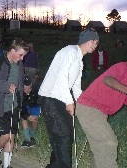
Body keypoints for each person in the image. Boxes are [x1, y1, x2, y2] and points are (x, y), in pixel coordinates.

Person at [76, 54, 127, 168]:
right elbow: (108, 80)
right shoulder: (123, 67)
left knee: (101, 149)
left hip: (99, 113)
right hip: (89, 108)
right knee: (108, 142)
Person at [38, 28, 99, 168]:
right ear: (84, 40)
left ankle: (54, 165)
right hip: (50, 97)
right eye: (92, 40)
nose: (95, 44)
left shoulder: (80, 59)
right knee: (62, 135)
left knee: (66, 136)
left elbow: (76, 85)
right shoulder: (70, 51)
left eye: (96, 42)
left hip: (60, 98)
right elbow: (61, 78)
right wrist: (70, 102)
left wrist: (83, 102)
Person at [0, 39, 29, 168]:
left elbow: (21, 80)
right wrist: (6, 86)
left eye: (24, 56)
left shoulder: (19, 65)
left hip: (14, 105)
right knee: (5, 135)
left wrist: (26, 85)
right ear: (12, 50)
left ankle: (6, 165)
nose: (22, 59)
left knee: (11, 136)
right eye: (20, 55)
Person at [20, 76, 40, 148]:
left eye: (27, 85)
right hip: (26, 108)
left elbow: (38, 105)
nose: (24, 87)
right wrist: (27, 116)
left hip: (35, 107)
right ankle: (27, 140)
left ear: (30, 85)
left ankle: (32, 135)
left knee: (34, 119)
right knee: (24, 119)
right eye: (24, 85)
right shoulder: (22, 94)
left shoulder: (36, 92)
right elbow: (22, 109)